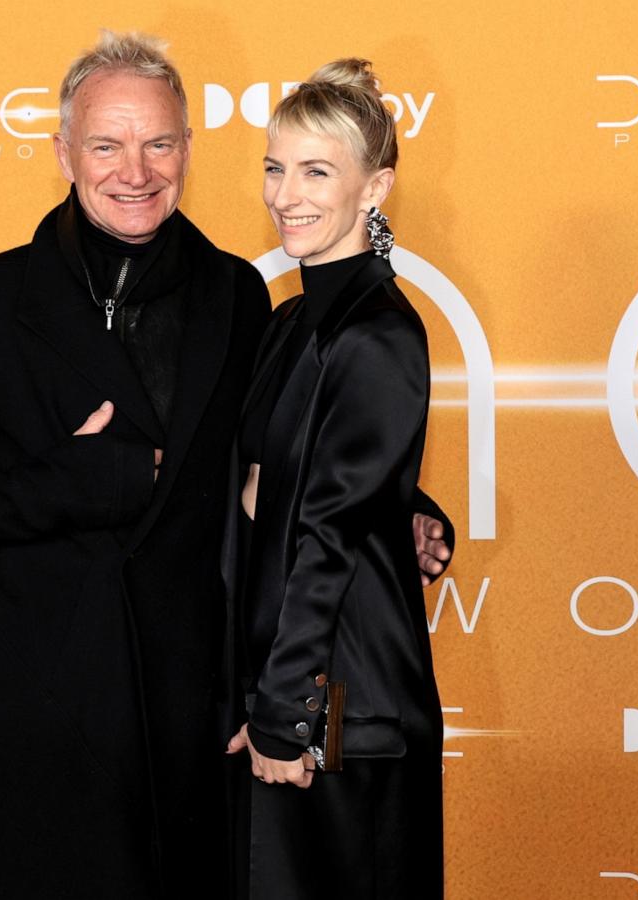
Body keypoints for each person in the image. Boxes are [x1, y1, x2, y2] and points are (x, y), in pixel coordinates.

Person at [0, 33, 451, 900]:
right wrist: (76, 484)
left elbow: (276, 448)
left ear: (188, 149)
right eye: (107, 145)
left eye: (158, 143)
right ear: (64, 152)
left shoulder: (237, 294)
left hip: (192, 699)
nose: (136, 171)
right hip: (45, 696)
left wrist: (399, 503)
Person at [223, 59, 444, 899]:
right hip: (295, 679)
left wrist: (286, 711)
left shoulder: (380, 333)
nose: (287, 194)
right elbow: (289, 477)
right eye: (275, 168)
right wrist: (412, 507)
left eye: (317, 171)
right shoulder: (291, 323)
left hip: (342, 703)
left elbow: (329, 533)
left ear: (374, 187)